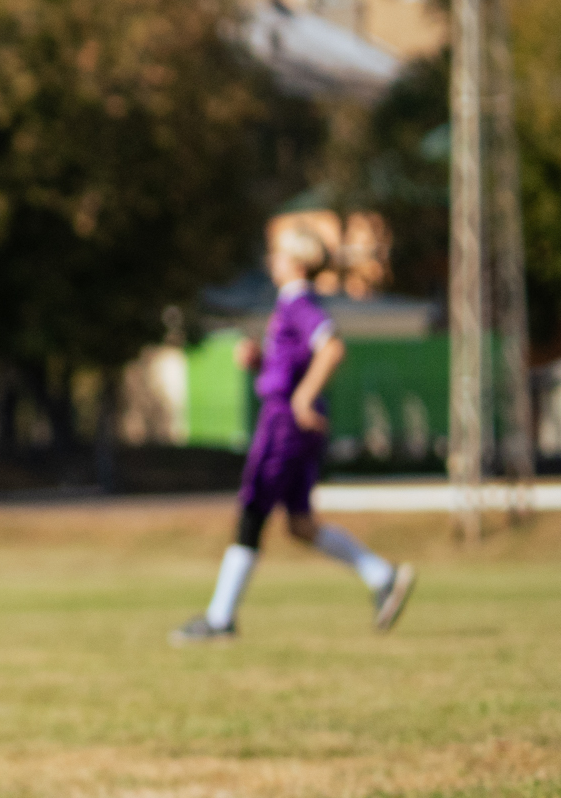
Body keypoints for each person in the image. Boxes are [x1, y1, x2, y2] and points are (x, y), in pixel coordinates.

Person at [172, 230, 420, 645]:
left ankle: (220, 618)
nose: (272, 260)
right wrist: (262, 362)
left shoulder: (297, 302)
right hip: (297, 423)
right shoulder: (290, 305)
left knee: (253, 508)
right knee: (300, 524)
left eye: (279, 254)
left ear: (297, 262)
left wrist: (303, 396)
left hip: (284, 423)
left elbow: (332, 348)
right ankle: (383, 576)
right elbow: (295, 362)